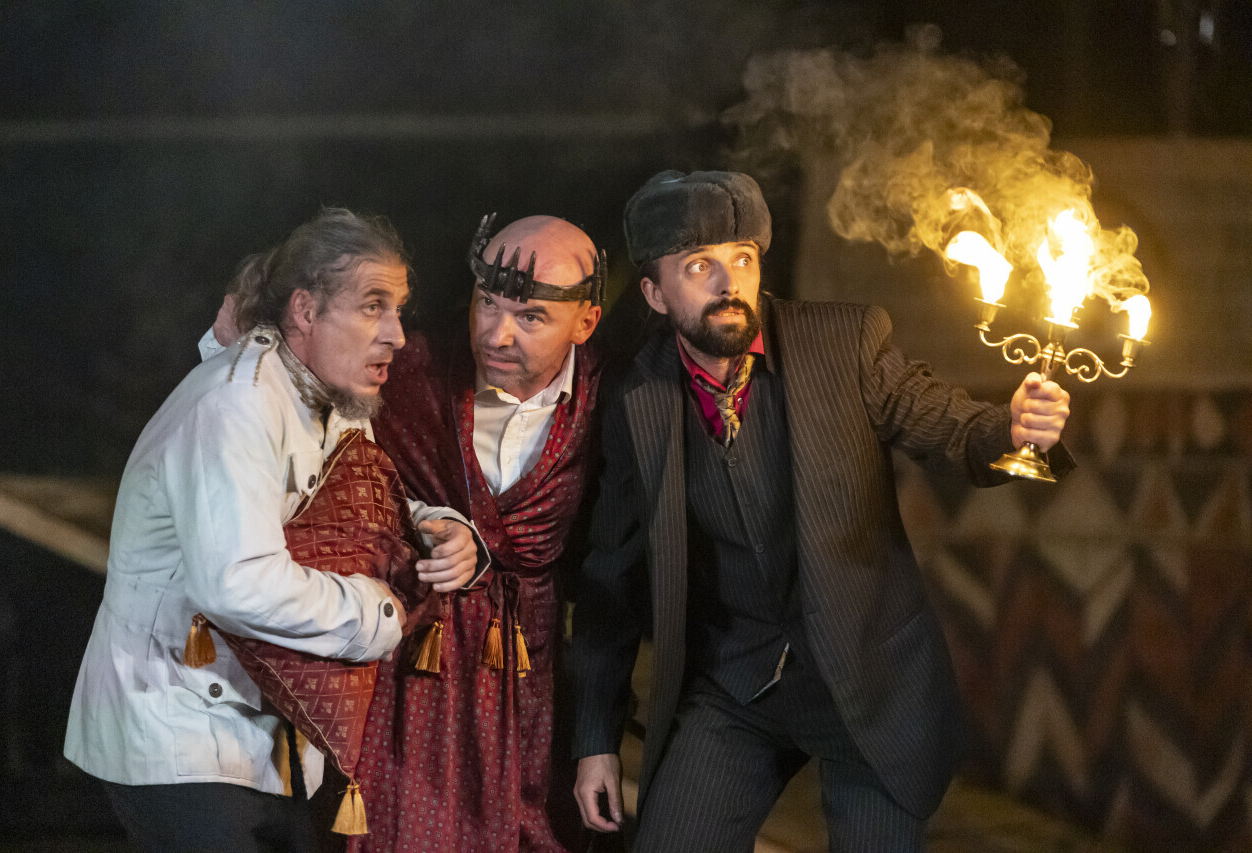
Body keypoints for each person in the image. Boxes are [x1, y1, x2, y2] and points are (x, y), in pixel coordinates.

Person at [570, 171, 1073, 852]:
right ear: (656, 294)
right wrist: (595, 739)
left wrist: (1009, 429)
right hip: (735, 687)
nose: (729, 282)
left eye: (743, 259)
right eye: (698, 266)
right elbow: (611, 579)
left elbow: (943, 422)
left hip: (869, 687)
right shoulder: (637, 394)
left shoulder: (844, 340)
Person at [65, 208, 481, 853]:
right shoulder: (235, 404)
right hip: (179, 735)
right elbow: (237, 582)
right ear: (305, 310)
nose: (397, 335)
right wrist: (377, 614)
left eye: (398, 309)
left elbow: (349, 508)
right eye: (373, 306)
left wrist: (438, 531)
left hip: (267, 738)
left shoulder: (327, 396)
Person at [358, 214, 604, 853]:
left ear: (585, 322)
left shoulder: (610, 399)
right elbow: (337, 474)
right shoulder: (408, 371)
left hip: (534, 672)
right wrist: (422, 521)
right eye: (487, 303)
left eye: (530, 317)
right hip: (415, 665)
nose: (495, 334)